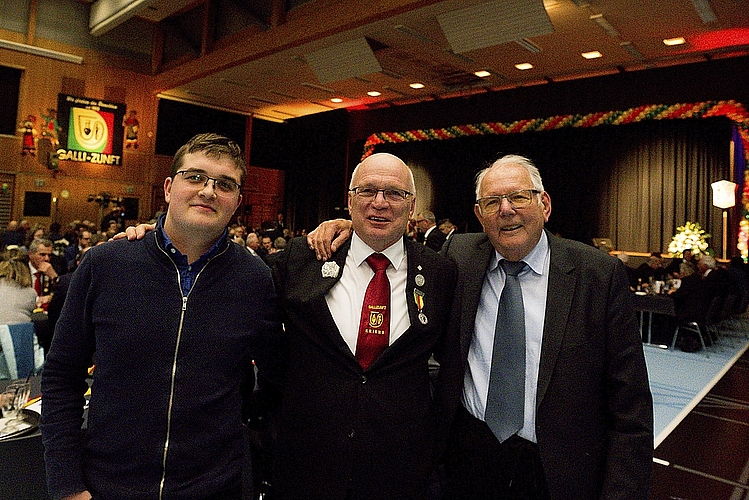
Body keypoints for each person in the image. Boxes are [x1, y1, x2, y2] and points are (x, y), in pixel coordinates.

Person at [308, 153, 653, 499]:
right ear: (479, 215)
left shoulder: (597, 275)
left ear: (544, 204)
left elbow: (631, 406)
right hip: (468, 460)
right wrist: (354, 227)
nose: (506, 210)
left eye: (519, 197)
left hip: (558, 472)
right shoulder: (459, 256)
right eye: (491, 202)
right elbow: (394, 246)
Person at [40, 133, 283, 500]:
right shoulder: (106, 265)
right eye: (195, 177)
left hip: (215, 488)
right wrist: (67, 485)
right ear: (169, 187)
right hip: (108, 486)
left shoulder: (254, 279)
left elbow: (276, 374)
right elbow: (61, 375)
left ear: (237, 202)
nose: (208, 191)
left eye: (225, 184)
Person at [271, 152, 457, 499]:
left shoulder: (439, 273)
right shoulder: (303, 258)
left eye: (395, 193)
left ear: (412, 205)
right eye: (367, 190)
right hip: (307, 466)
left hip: (399, 471)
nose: (380, 203)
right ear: (350, 199)